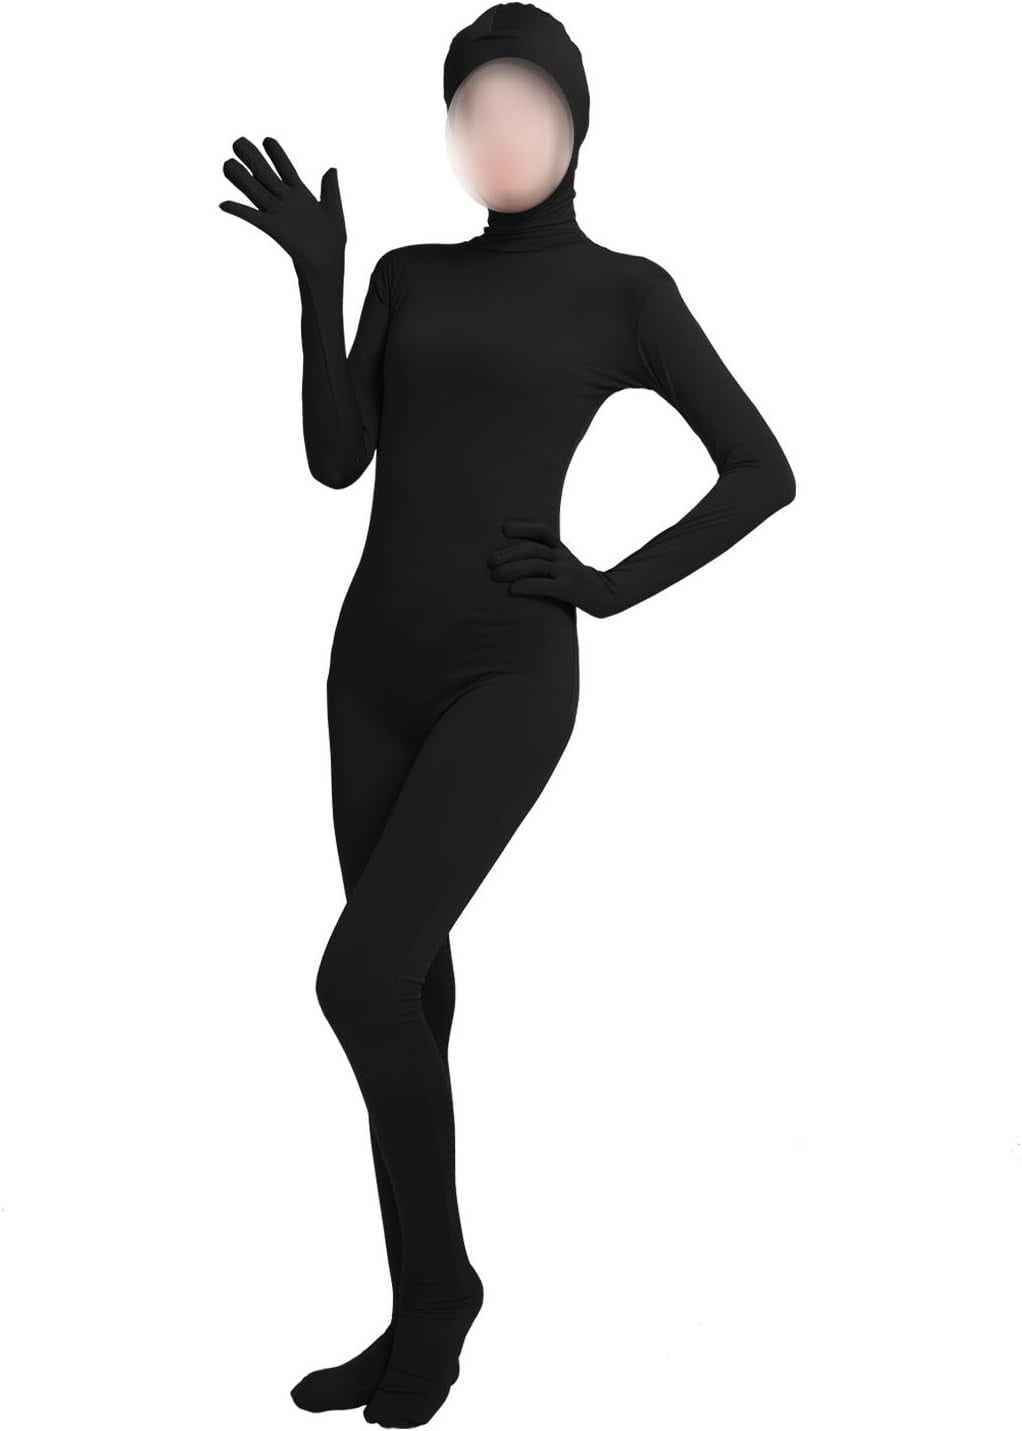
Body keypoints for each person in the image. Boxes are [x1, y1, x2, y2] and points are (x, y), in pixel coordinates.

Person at [218, 4, 796, 1425]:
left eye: (527, 107)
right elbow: (335, 462)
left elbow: (760, 471)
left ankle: (441, 1299)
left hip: (507, 676)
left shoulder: (624, 295)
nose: (498, 134)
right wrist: (319, 279)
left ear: (579, 126)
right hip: (369, 671)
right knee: (407, 988)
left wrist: (606, 586)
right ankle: (421, 1300)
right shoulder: (408, 275)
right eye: (470, 110)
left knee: (355, 979)